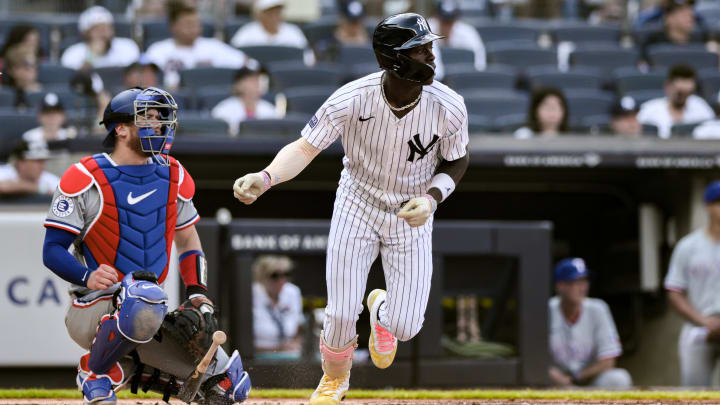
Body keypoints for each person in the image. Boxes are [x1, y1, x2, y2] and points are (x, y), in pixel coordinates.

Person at [233, 13, 469, 404]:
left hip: (411, 210)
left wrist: (431, 199)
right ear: (392, 59)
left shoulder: (450, 105)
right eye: (420, 49)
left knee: (407, 326)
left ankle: (382, 314)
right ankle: (335, 379)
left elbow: (457, 160)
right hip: (358, 202)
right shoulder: (351, 97)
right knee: (341, 313)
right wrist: (267, 176)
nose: (431, 55)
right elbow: (306, 147)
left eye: (431, 47)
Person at [41, 87, 251, 405]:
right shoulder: (85, 176)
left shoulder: (174, 174)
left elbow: (188, 239)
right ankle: (96, 372)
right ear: (121, 128)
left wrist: (197, 292)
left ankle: (123, 367)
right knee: (143, 297)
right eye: (147, 118)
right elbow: (52, 249)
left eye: (159, 118)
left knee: (230, 385)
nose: (157, 125)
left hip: (150, 311)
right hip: (94, 306)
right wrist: (88, 276)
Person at [665, 180, 720, 386]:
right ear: (708, 206)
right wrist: (704, 322)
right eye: (718, 203)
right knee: (694, 394)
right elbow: (674, 291)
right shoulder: (688, 245)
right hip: (699, 327)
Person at [549, 258, 633, 388]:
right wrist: (555, 377)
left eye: (583, 281)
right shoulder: (546, 311)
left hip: (589, 382)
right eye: (574, 282)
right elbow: (533, 358)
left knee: (619, 378)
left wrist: (577, 378)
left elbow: (608, 360)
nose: (582, 288)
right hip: (556, 383)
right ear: (560, 286)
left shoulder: (598, 309)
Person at [145, 2, 252, 90]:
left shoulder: (213, 46)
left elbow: (249, 64)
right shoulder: (157, 50)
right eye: (188, 24)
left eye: (197, 24)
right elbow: (144, 80)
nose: (194, 28)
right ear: (173, 26)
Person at [637, 64, 715, 139]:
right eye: (679, 92)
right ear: (667, 86)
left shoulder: (701, 107)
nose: (682, 96)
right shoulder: (649, 109)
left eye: (687, 93)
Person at [230, 0, 315, 65]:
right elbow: (233, 58)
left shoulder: (293, 32)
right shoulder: (246, 32)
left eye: (277, 12)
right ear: (260, 14)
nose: (274, 16)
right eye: (270, 12)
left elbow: (308, 59)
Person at [252, 255, 304, 358]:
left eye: (286, 274)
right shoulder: (251, 294)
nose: (282, 280)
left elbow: (299, 330)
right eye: (275, 275)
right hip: (258, 358)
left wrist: (297, 345)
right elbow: (242, 344)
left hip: (289, 357)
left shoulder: (292, 292)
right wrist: (279, 349)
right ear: (262, 277)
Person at [61, 6, 140, 71]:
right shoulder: (72, 53)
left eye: (107, 28)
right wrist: (91, 57)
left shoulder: (127, 47)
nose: (103, 34)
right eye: (97, 29)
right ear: (85, 34)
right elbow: (77, 82)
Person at [211, 66, 278, 136]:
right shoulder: (223, 109)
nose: (257, 83)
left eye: (258, 79)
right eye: (252, 80)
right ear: (238, 84)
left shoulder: (270, 110)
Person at [428, 0, 487, 71]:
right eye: (444, 21)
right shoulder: (427, 30)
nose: (447, 25)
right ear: (436, 17)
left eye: (450, 21)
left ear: (456, 19)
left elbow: (479, 60)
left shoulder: (467, 32)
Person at [641, 0, 707, 62]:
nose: (690, 14)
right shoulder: (652, 43)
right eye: (682, 11)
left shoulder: (701, 42)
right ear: (668, 18)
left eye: (690, 9)